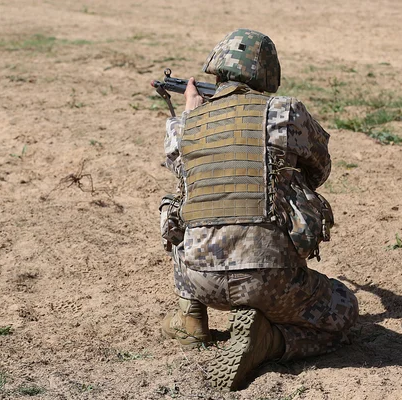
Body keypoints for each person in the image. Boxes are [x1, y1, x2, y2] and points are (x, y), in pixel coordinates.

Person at [158, 29, 359, 391]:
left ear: (215, 72)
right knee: (344, 310)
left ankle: (191, 317)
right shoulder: (286, 111)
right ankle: (269, 341)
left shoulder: (182, 126)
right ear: (268, 74)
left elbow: (182, 172)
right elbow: (320, 170)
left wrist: (190, 114)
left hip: (201, 279)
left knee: (183, 198)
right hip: (273, 280)